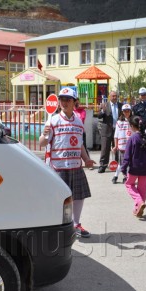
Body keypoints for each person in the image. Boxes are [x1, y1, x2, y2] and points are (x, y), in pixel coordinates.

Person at [39, 87, 96, 238]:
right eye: (62, 99)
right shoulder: (53, 120)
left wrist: (87, 159)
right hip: (59, 167)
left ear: (74, 102)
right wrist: (44, 136)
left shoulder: (78, 121)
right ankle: (59, 228)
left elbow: (80, 144)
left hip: (75, 166)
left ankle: (76, 224)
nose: (64, 102)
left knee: (79, 196)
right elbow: (42, 143)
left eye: (68, 99)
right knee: (61, 199)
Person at [121, 116, 146, 218]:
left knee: (129, 184)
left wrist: (123, 167)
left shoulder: (132, 138)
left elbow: (127, 155)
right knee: (142, 188)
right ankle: (138, 209)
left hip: (135, 167)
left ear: (132, 126)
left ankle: (139, 202)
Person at [98, 91, 122, 173]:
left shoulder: (120, 105)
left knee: (117, 148)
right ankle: (103, 165)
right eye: (113, 96)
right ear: (109, 96)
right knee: (105, 148)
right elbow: (99, 116)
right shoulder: (105, 105)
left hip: (118, 130)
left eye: (116, 96)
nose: (114, 97)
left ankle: (117, 165)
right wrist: (103, 111)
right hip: (107, 130)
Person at [112, 103, 132, 184]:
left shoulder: (133, 121)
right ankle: (116, 176)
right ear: (122, 112)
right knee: (122, 162)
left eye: (128, 111)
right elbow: (116, 135)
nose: (126, 112)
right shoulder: (119, 122)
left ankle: (125, 176)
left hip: (131, 145)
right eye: (125, 111)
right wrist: (115, 145)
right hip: (122, 145)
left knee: (129, 162)